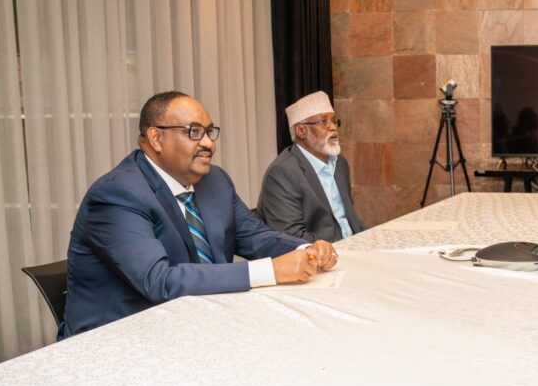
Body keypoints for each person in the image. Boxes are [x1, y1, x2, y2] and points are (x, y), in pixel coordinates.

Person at [63, 91, 336, 338]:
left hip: (198, 323)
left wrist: (307, 249)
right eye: (194, 132)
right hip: (116, 339)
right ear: (156, 137)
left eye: (209, 132)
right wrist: (271, 271)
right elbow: (158, 281)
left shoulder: (214, 180)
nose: (208, 143)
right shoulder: (117, 194)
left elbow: (255, 237)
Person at [257, 91, 366, 242]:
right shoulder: (282, 173)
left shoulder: (340, 164)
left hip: (352, 246)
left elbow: (349, 221)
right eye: (324, 122)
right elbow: (291, 237)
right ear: (301, 131)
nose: (333, 127)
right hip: (319, 257)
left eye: (334, 121)